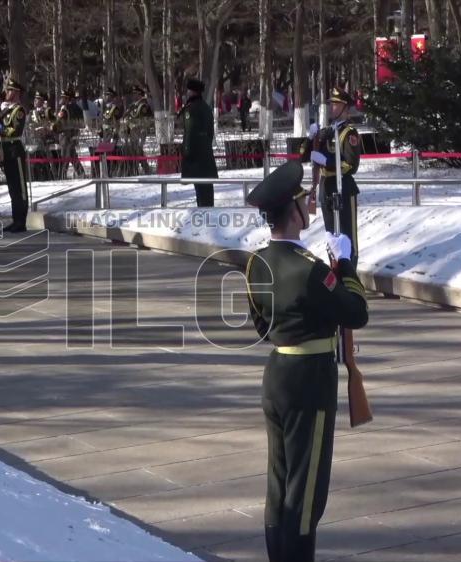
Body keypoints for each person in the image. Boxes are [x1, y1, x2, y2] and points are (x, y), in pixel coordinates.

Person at [244, 160, 368, 562]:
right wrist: (346, 264)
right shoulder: (311, 271)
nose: (308, 205)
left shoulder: (255, 264)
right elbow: (356, 312)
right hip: (309, 383)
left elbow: (261, 324)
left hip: (277, 375)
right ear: (293, 212)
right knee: (306, 492)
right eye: (303, 201)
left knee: (279, 485)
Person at [310, 87, 362, 267]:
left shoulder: (349, 133)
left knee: (347, 237)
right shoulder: (326, 131)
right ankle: (336, 273)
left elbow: (351, 165)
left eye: (336, 104)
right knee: (331, 235)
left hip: (343, 187)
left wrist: (328, 162)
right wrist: (311, 139)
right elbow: (304, 155)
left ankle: (350, 277)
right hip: (326, 187)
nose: (332, 107)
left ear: (346, 108)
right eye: (331, 104)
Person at [0, 78, 29, 233]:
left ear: (16, 93)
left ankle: (21, 221)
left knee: (20, 188)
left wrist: (0, 129)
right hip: (6, 150)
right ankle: (15, 220)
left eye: (10, 90)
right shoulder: (6, 109)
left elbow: (15, 131)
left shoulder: (18, 110)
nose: (7, 93)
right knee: (12, 188)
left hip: (15, 149)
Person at [179, 78, 218, 207]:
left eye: (188, 91)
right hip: (206, 154)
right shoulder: (206, 107)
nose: (187, 93)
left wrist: (186, 152)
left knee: (201, 193)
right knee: (206, 191)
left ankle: (204, 219)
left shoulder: (191, 109)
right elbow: (210, 133)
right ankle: (207, 216)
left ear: (192, 92)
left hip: (195, 157)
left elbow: (189, 134)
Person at [52, 87, 85, 178]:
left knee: (64, 158)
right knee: (73, 156)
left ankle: (62, 176)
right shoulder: (77, 108)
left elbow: (58, 123)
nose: (61, 100)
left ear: (67, 99)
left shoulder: (64, 110)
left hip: (65, 136)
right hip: (72, 135)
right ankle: (81, 173)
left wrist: (53, 127)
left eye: (63, 98)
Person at [125, 85, 154, 175]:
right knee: (134, 151)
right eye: (133, 94)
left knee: (138, 150)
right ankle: (137, 169)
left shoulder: (143, 106)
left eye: (135, 94)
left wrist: (142, 128)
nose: (133, 96)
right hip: (133, 131)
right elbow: (128, 117)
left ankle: (144, 170)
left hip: (140, 131)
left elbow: (146, 120)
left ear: (139, 94)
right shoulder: (133, 106)